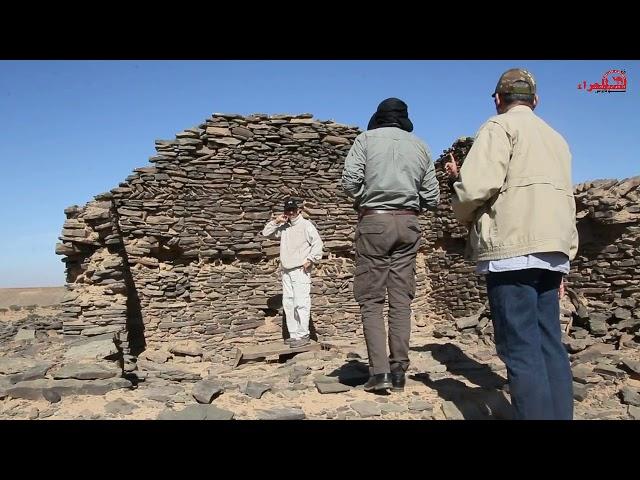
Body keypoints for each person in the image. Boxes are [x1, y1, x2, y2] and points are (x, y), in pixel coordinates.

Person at [444, 68, 579, 419]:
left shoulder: (499, 127)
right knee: (550, 343)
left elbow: (476, 189)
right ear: (535, 100)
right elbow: (565, 197)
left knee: (520, 348)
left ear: (498, 99)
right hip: (553, 252)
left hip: (513, 251)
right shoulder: (557, 138)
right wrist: (566, 256)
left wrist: (458, 190)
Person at [341, 97, 440, 392]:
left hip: (374, 222)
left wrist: (365, 199)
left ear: (378, 119)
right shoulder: (420, 145)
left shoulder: (365, 140)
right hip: (408, 224)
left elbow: (349, 182)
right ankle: (399, 372)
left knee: (371, 299)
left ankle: (380, 372)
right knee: (401, 299)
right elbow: (432, 197)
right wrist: (409, 203)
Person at [262, 198, 323, 348]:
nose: (291, 213)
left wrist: (311, 259)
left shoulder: (306, 225)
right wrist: (276, 221)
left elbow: (317, 242)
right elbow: (266, 233)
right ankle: (294, 335)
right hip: (287, 270)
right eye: (288, 211)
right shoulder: (284, 227)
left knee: (301, 303)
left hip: (300, 269)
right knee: (288, 303)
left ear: (298, 210)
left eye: (293, 210)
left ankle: (304, 335)